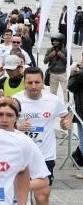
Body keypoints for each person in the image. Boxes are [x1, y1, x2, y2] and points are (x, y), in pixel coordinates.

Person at [14, 67, 72, 205]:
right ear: (24, 83)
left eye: (37, 82)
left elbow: (66, 116)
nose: (33, 86)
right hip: (20, 156)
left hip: (45, 155)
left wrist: (66, 124)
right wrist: (17, 127)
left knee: (42, 196)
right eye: (30, 83)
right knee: (21, 197)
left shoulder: (53, 100)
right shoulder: (15, 100)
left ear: (43, 83)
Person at [0, 96, 50, 191]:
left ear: (17, 117)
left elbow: (44, 180)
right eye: (0, 114)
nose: (4, 119)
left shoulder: (25, 142)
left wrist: (15, 187)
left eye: (9, 115)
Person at [43, 33, 68, 101]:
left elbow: (70, 62)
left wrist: (62, 56)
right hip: (53, 73)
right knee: (53, 92)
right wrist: (50, 56)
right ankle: (53, 104)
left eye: (57, 41)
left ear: (61, 41)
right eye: (54, 41)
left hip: (63, 73)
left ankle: (68, 105)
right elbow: (45, 61)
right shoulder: (50, 50)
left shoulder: (65, 50)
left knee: (66, 91)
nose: (55, 42)